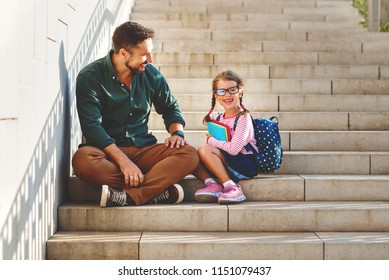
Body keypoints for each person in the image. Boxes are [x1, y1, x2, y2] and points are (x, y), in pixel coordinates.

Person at [72, 21, 200, 207]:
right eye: (144, 54)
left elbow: (170, 108)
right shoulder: (90, 77)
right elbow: (92, 127)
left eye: (150, 52)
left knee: (189, 154)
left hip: (143, 149)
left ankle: (131, 196)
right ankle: (155, 191)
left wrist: (177, 133)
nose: (150, 59)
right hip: (106, 152)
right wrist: (124, 162)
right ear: (123, 53)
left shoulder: (151, 74)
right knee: (82, 161)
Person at [194, 70, 258, 204]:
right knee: (191, 156)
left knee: (205, 149)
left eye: (232, 90)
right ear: (216, 96)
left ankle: (232, 187)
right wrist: (212, 143)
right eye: (221, 91)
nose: (227, 95)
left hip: (243, 164)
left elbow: (234, 149)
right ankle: (213, 185)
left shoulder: (243, 118)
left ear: (240, 92)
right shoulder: (218, 118)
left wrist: (212, 141)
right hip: (227, 161)